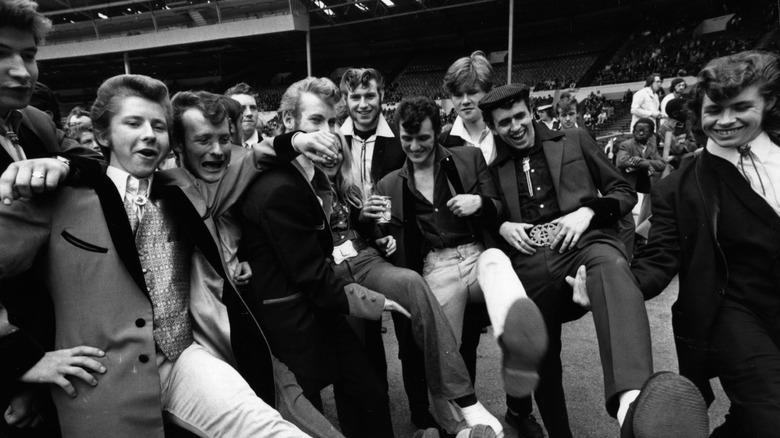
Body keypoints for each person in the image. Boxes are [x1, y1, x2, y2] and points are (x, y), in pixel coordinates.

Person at [0, 74, 311, 438]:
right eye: (133, 123)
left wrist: (300, 139)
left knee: (272, 429)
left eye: (158, 125)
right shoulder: (60, 198)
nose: (149, 133)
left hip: (183, 359)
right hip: (102, 387)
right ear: (103, 135)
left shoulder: (184, 191)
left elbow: (249, 160)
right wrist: (22, 357)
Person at [479, 83, 709, 438]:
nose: (515, 126)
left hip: (585, 244)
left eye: (520, 115)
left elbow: (624, 192)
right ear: (494, 127)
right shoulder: (493, 167)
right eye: (504, 122)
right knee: (538, 344)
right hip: (529, 259)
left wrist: (587, 212)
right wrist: (503, 224)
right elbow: (488, 215)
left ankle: (631, 404)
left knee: (613, 267)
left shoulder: (573, 139)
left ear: (532, 112)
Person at [376, 95, 550, 438]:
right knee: (443, 353)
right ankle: (457, 426)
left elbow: (499, 209)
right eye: (406, 138)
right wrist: (381, 239)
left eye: (423, 138)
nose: (414, 146)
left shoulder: (468, 158)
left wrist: (480, 203)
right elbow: (384, 234)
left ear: (437, 132)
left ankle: (515, 341)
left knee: (497, 262)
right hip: (436, 267)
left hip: (476, 254)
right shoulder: (389, 183)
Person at [239, 76, 401, 438]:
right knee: (314, 419)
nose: (328, 133)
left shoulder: (310, 175)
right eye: (316, 121)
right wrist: (376, 301)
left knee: (366, 394)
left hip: (315, 308)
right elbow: (311, 273)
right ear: (288, 124)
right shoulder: (279, 185)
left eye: (332, 122)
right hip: (291, 321)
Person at [632, 50, 780, 437]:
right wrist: (610, 286)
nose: (726, 120)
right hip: (732, 312)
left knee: (751, 421)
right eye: (715, 109)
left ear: (769, 102)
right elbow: (660, 258)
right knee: (771, 415)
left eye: (741, 107)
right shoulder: (676, 187)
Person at [437, 50, 543, 438]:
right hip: (463, 251)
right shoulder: (442, 140)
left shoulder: (507, 131)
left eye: (475, 91)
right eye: (459, 94)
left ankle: (520, 410)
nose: (467, 101)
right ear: (450, 97)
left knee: (514, 327)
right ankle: (466, 416)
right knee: (461, 339)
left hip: (509, 244)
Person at [224, 82, 261, 147]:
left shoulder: (272, 150)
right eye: (241, 108)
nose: (249, 113)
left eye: (253, 108)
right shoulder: (221, 150)